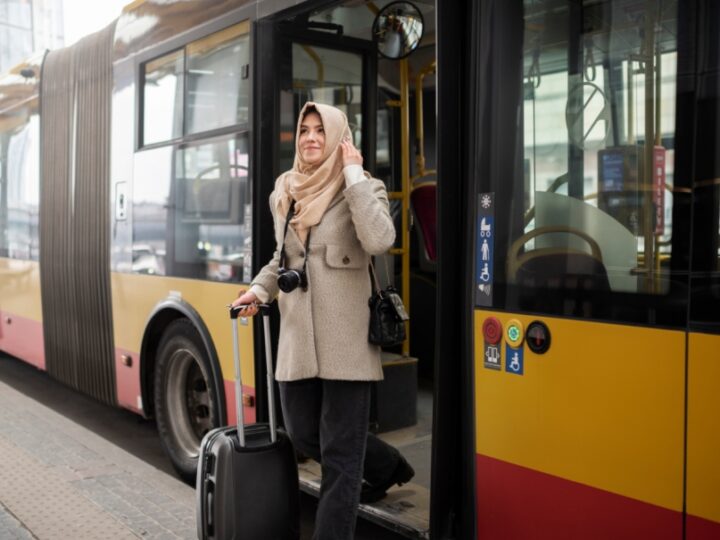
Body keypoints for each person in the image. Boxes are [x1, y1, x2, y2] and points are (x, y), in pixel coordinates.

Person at [232, 102, 414, 539]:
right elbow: (281, 260)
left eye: (320, 131)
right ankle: (389, 465)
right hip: (297, 339)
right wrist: (258, 291)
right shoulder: (285, 190)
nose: (311, 138)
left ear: (338, 137)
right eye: (304, 130)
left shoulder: (364, 186)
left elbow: (378, 239)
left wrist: (352, 176)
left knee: (340, 455)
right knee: (305, 435)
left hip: (347, 341)